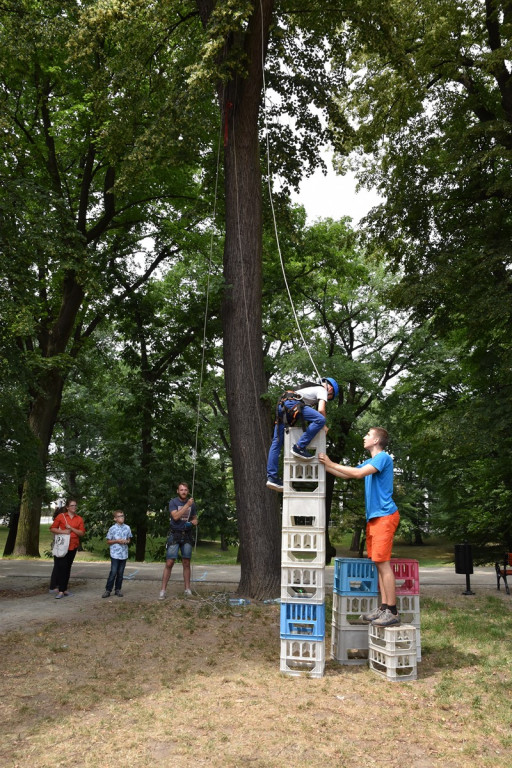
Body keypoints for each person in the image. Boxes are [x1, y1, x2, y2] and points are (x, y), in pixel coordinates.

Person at [318, 427, 400, 627]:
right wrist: (321, 464)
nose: (365, 437)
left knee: (383, 563)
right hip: (375, 518)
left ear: (377, 440)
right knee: (378, 563)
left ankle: (393, 611)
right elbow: (346, 474)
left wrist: (330, 462)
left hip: (385, 516)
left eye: (368, 435)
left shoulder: (383, 458)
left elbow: (357, 474)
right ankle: (383, 608)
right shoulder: (372, 461)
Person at [266, 377, 339, 491]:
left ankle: (272, 478)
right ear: (330, 389)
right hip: (292, 404)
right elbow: (321, 410)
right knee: (320, 419)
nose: (327, 399)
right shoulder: (323, 390)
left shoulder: (309, 391)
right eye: (329, 397)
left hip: (283, 406)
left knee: (276, 443)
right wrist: (324, 426)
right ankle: (299, 447)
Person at [159, 482, 198, 600]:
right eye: (181, 490)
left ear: (188, 491)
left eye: (185, 490)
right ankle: (163, 590)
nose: (184, 492)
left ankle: (187, 589)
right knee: (169, 563)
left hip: (187, 535)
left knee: (186, 563)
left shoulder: (193, 504)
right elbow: (175, 517)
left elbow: (194, 517)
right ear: (178, 491)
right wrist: (187, 505)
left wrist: (195, 521)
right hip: (174, 534)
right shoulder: (173, 502)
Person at [49, 499, 85, 599]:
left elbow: (81, 533)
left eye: (75, 505)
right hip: (62, 546)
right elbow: (52, 528)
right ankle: (61, 590)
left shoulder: (79, 519)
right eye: (72, 505)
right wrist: (64, 532)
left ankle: (64, 589)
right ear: (67, 507)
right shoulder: (61, 516)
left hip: (72, 546)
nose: (74, 507)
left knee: (67, 568)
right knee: (62, 568)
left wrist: (72, 529)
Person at [102, 510, 132, 598]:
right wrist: (117, 541)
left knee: (121, 572)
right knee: (113, 571)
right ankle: (108, 590)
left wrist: (126, 541)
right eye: (119, 516)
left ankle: (118, 589)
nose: (122, 517)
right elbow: (108, 541)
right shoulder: (112, 528)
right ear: (115, 518)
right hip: (115, 553)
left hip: (124, 554)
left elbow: (129, 539)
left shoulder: (127, 527)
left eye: (122, 516)